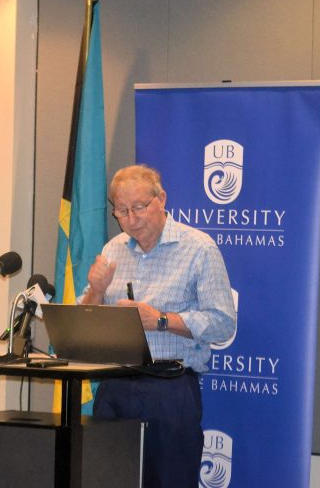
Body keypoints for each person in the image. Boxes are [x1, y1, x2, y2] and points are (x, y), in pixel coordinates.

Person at [80, 164, 236, 488]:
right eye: (121, 211)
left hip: (169, 388)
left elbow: (223, 323)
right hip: (115, 386)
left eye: (139, 207)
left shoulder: (199, 248)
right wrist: (95, 290)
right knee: (107, 480)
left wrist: (161, 320)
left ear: (161, 199)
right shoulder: (112, 250)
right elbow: (85, 327)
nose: (131, 219)